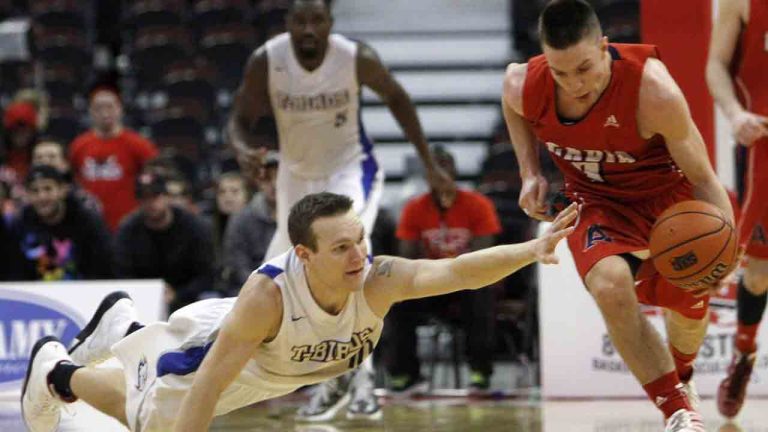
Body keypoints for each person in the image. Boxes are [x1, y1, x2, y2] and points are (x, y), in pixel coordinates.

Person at [21, 191, 577, 432]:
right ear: (304, 256)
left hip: (273, 372)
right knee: (147, 421)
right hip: (209, 353)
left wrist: (532, 248)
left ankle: (124, 327)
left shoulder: (376, 280)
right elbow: (209, 384)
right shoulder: (268, 298)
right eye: (342, 248)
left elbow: (458, 271)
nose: (359, 256)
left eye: (360, 240)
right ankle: (58, 372)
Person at [501, 1, 734, 430]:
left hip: (668, 201)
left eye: (584, 68)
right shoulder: (523, 83)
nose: (574, 84)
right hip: (595, 201)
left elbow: (702, 176)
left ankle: (682, 375)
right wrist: (529, 172)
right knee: (610, 286)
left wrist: (726, 248)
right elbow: (511, 101)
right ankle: (677, 411)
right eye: (560, 73)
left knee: (687, 318)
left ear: (604, 47)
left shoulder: (654, 91)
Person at [227, 0, 454, 420]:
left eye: (317, 20)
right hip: (295, 178)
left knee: (348, 260)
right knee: (272, 275)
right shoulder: (267, 60)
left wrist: (429, 163)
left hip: (350, 171)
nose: (308, 28)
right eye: (300, 20)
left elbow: (397, 98)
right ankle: (281, 374)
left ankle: (357, 377)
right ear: (288, 23)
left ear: (330, 23)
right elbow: (239, 118)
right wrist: (242, 150)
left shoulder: (355, 57)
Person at [385, 146, 502, 392]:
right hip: (430, 283)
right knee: (396, 300)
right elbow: (406, 256)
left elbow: (483, 255)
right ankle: (404, 374)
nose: (439, 174)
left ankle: (479, 372)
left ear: (455, 171)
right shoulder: (414, 208)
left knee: (481, 292)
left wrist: (451, 271)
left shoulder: (478, 204)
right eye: (433, 168)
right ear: (426, 175)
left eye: (444, 167)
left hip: (466, 282)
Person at [706, 0, 768, 418]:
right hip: (762, 140)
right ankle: (744, 353)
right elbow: (715, 65)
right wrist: (734, 113)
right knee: (759, 273)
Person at [114, 169, 214, 313]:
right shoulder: (128, 230)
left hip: (188, 300)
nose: (150, 203)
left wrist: (178, 294)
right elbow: (122, 273)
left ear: (167, 197)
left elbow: (206, 274)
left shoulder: (192, 226)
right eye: (144, 198)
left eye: (156, 196)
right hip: (141, 301)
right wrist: (149, 293)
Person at [69, 85, 159, 232]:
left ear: (120, 109)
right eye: (99, 108)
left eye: (110, 107)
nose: (105, 113)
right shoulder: (79, 146)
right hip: (89, 226)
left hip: (128, 225)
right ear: (90, 111)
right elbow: (73, 181)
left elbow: (154, 178)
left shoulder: (139, 145)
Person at [13, 165, 113, 280]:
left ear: (62, 190)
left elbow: (104, 267)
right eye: (35, 191)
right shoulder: (21, 224)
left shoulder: (87, 221)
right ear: (27, 195)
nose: (42, 197)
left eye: (48, 189)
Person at [222, 153, 278, 295]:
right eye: (267, 178)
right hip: (251, 291)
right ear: (259, 182)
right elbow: (239, 266)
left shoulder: (303, 215)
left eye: (279, 177)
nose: (274, 184)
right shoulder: (241, 219)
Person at [31, 139, 103, 214]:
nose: (45, 162)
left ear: (65, 164)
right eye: (39, 158)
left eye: (52, 157)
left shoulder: (83, 200)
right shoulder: (25, 199)